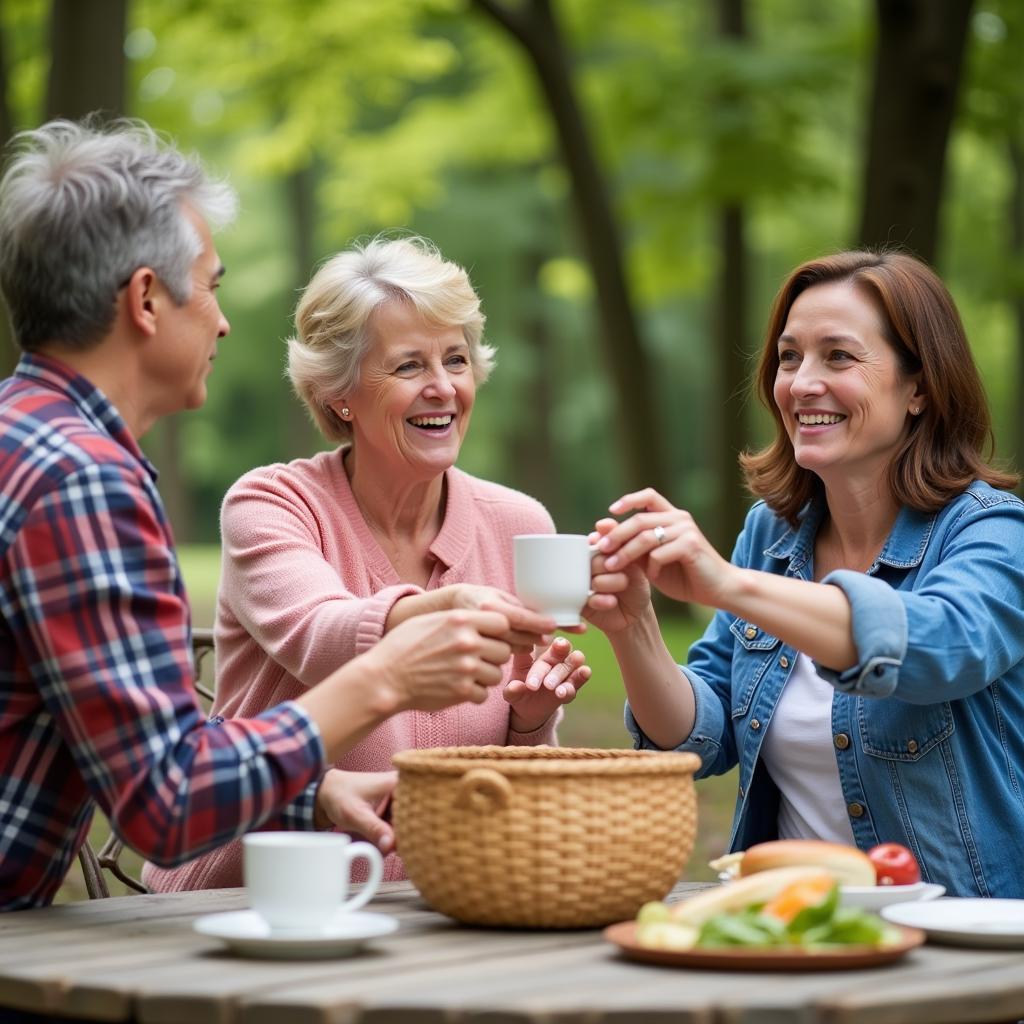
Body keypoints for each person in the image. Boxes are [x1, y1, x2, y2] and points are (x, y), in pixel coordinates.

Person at [0, 118, 520, 911]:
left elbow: (134, 763)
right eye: (209, 285)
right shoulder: (80, 478)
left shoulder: (28, 438)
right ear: (146, 298)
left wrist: (308, 793)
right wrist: (386, 676)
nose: (222, 319)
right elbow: (166, 805)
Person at [143, 236, 590, 892]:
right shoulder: (273, 503)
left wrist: (530, 721)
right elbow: (324, 637)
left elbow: (511, 797)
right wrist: (443, 610)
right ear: (339, 393)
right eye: (409, 366)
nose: (443, 388)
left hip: (432, 911)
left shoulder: (520, 525)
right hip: (248, 900)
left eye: (457, 360)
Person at [587, 249, 1024, 898]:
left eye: (839, 357)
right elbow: (699, 738)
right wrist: (634, 627)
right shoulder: (773, 533)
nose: (800, 383)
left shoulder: (993, 532)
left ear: (920, 388)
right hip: (794, 935)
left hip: (959, 951)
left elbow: (933, 645)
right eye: (790, 357)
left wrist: (727, 586)